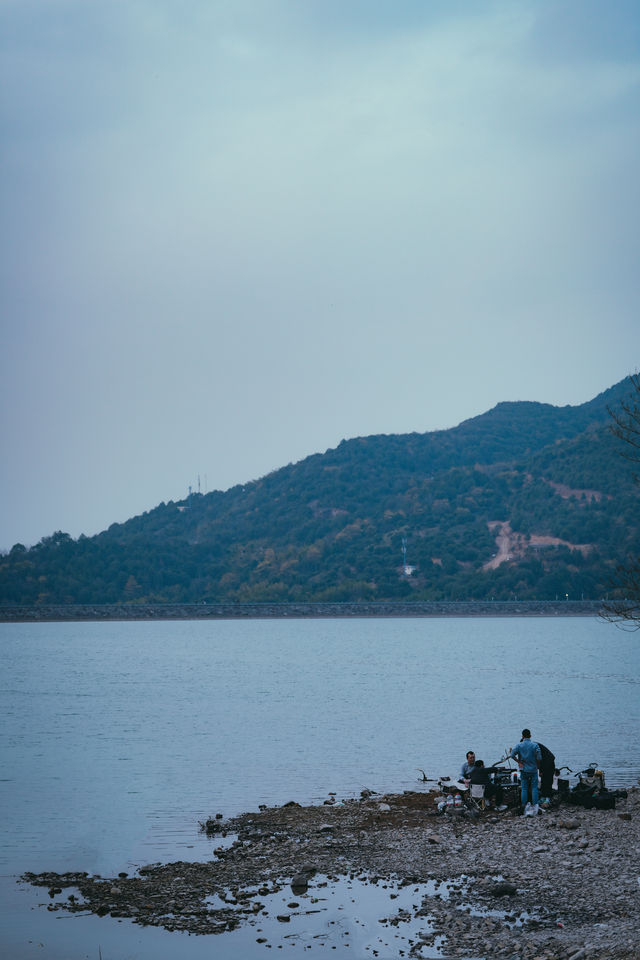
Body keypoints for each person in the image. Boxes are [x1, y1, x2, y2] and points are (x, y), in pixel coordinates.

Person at [510, 729, 542, 812]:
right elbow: (539, 757)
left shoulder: (519, 745)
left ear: (522, 736)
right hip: (533, 769)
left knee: (524, 788)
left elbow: (512, 755)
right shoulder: (535, 745)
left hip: (523, 769)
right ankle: (535, 805)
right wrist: (538, 765)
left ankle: (524, 805)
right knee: (534, 788)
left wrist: (519, 762)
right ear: (530, 736)